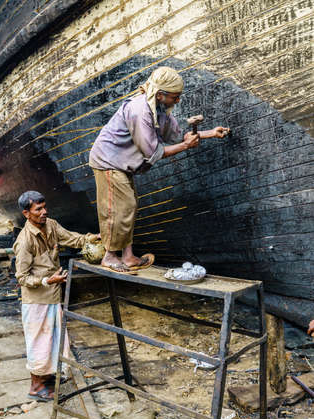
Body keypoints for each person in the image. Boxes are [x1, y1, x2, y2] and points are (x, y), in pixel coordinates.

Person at [89, 66, 230, 273]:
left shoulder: (161, 110)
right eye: (175, 96)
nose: (178, 100)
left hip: (123, 162)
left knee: (130, 206)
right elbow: (153, 152)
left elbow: (177, 137)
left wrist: (209, 133)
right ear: (161, 94)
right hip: (108, 161)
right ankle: (109, 256)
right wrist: (185, 146)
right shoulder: (139, 110)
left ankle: (128, 257)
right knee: (118, 207)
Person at [13, 190, 99, 401]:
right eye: (38, 209)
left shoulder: (51, 225)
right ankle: (35, 387)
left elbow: (71, 238)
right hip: (36, 301)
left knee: (52, 340)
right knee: (38, 343)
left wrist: (91, 238)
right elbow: (22, 277)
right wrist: (45, 281)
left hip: (53, 296)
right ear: (27, 213)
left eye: (44, 207)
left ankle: (47, 380)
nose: (44, 212)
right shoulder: (24, 241)